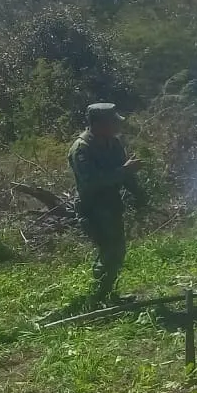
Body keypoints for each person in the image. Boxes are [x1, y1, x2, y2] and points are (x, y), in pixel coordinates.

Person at [67, 102, 147, 306]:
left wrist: (139, 194)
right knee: (108, 251)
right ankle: (96, 299)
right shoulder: (81, 149)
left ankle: (107, 295)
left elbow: (123, 174)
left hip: (111, 207)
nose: (116, 126)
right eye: (112, 122)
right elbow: (91, 181)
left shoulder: (113, 143)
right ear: (99, 124)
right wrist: (125, 171)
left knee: (117, 251)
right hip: (92, 209)